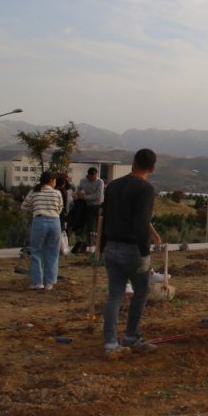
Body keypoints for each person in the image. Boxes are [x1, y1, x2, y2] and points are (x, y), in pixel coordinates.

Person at [100, 149, 163, 359]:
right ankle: (131, 337)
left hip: (111, 247)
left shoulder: (113, 185)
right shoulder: (146, 188)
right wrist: (145, 251)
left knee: (115, 295)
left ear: (133, 162)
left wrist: (101, 248)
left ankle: (110, 343)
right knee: (141, 291)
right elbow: (140, 221)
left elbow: (105, 217)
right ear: (153, 168)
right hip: (132, 249)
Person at [21, 171, 64, 290]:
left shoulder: (34, 192)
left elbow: (24, 206)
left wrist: (35, 209)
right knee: (53, 253)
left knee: (36, 252)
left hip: (39, 221)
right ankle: (49, 282)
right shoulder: (57, 193)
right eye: (54, 180)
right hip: (55, 222)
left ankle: (37, 282)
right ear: (51, 181)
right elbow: (60, 208)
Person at [76, 167, 105, 250]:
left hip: (98, 205)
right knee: (90, 226)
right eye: (92, 176)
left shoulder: (100, 182)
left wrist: (84, 197)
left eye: (95, 176)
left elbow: (98, 196)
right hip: (88, 206)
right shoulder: (83, 181)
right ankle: (90, 245)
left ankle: (98, 245)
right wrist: (78, 193)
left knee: (98, 225)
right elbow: (78, 189)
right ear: (88, 175)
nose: (94, 178)